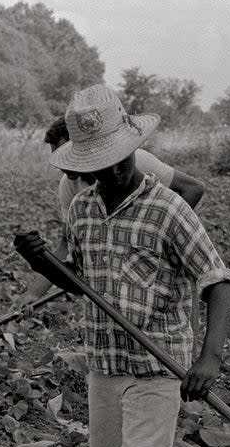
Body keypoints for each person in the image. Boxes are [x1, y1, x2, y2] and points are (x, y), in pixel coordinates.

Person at [17, 84, 230, 447]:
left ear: (133, 150)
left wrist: (209, 357)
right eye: (100, 164)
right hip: (104, 367)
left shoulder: (168, 209)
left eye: (119, 161)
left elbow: (218, 282)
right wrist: (41, 262)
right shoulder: (85, 209)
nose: (112, 172)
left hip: (157, 369)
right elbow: (80, 279)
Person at [13, 116, 206, 313]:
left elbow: (193, 189)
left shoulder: (133, 162)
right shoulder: (71, 187)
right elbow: (66, 245)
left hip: (158, 264)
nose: (62, 167)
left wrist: (161, 231)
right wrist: (34, 292)